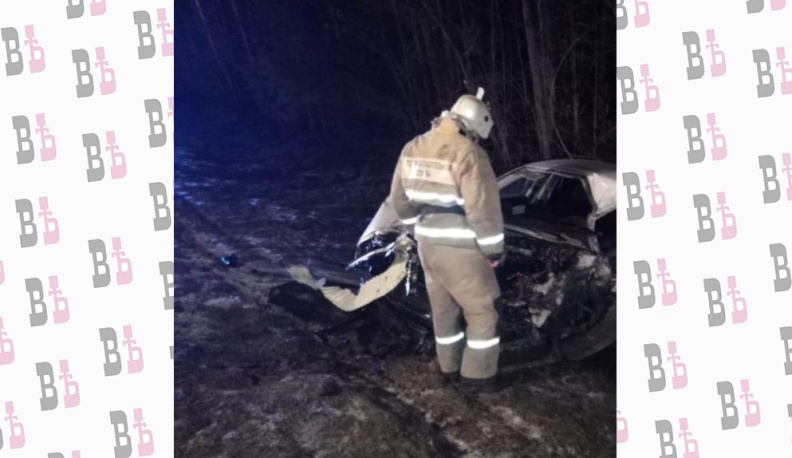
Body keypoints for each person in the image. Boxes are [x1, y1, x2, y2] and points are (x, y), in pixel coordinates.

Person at [389, 89, 505, 394]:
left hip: (428, 245)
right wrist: (494, 249)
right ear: (472, 125)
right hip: (461, 247)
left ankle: (449, 369)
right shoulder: (469, 153)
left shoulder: (413, 147)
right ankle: (477, 378)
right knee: (481, 313)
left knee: (444, 313)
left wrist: (420, 228)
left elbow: (399, 200)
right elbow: (483, 209)